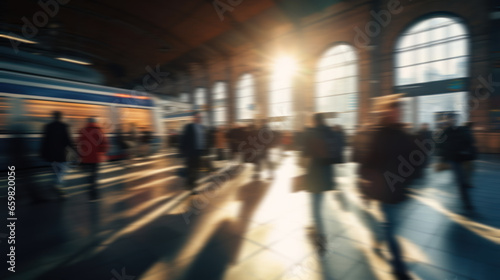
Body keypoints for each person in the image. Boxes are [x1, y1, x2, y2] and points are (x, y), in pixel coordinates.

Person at [355, 94, 419, 280]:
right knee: (392, 228)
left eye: (401, 109)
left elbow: (415, 159)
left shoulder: (404, 134)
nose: (399, 113)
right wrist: (362, 179)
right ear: (387, 111)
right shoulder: (379, 134)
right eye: (395, 109)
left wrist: (411, 176)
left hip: (400, 189)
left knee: (392, 226)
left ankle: (377, 239)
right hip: (384, 188)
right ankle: (399, 268)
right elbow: (368, 160)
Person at [301, 113, 337, 252]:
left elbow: (305, 155)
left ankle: (321, 239)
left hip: (314, 175)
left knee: (316, 209)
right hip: (326, 175)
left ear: (314, 121)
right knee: (317, 205)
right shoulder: (330, 132)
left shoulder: (312, 133)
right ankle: (314, 228)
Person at [437, 114, 476, 210]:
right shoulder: (447, 131)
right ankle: (467, 203)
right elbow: (439, 143)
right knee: (461, 180)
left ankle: (466, 201)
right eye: (451, 119)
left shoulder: (461, 130)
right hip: (455, 159)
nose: (453, 120)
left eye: (454, 119)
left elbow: (470, 141)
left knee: (461, 179)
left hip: (461, 157)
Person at [40, 111, 74, 199]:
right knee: (61, 171)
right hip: (61, 155)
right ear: (61, 117)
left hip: (50, 155)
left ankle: (56, 186)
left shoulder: (48, 127)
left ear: (53, 117)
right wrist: (75, 151)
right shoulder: (64, 127)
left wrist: (42, 153)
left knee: (54, 171)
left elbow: (44, 141)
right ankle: (58, 186)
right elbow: (68, 141)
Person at [77, 117, 108, 202]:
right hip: (96, 158)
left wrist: (80, 156)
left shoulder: (82, 131)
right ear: (96, 122)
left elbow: (79, 144)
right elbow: (105, 144)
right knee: (94, 176)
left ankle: (91, 188)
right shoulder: (99, 130)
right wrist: (101, 152)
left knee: (89, 175)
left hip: (86, 158)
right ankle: (93, 195)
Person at [179, 111, 206, 194]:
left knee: (196, 170)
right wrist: (183, 152)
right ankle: (192, 187)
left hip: (199, 152)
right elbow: (184, 139)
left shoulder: (202, 127)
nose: (199, 118)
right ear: (193, 118)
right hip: (191, 152)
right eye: (197, 117)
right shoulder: (189, 126)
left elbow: (204, 139)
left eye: (200, 117)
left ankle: (190, 184)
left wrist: (205, 150)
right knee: (191, 170)